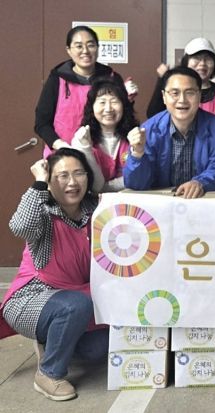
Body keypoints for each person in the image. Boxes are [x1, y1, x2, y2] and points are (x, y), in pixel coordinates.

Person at [0, 148, 108, 401]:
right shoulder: (43, 213)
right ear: (50, 181)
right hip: (33, 297)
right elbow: (20, 226)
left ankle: (51, 341)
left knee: (97, 348)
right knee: (75, 306)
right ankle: (49, 373)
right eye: (62, 176)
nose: (72, 182)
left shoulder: (97, 210)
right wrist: (39, 182)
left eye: (79, 173)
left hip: (80, 296)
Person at [123, 67, 215, 198]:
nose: (182, 100)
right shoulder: (149, 130)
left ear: (199, 96)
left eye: (190, 93)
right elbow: (136, 184)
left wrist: (201, 183)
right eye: (175, 93)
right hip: (162, 204)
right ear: (164, 97)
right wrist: (137, 154)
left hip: (202, 201)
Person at [34, 26, 136, 157]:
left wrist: (128, 100)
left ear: (97, 47)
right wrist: (61, 145)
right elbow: (42, 123)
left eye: (91, 45)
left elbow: (124, 117)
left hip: (104, 156)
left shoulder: (112, 77)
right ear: (69, 50)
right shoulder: (57, 79)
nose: (85, 51)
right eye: (79, 46)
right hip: (63, 155)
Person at [71, 77, 139, 192]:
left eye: (114, 101)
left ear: (124, 106)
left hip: (130, 200)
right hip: (93, 202)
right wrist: (85, 149)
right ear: (92, 107)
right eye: (102, 102)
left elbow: (137, 178)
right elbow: (95, 187)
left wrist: (106, 188)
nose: (108, 109)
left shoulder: (135, 135)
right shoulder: (82, 139)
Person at [146, 37, 215, 123]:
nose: (202, 63)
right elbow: (153, 116)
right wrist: (163, 80)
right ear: (186, 62)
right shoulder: (173, 91)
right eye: (197, 58)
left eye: (207, 59)